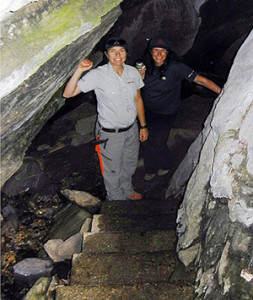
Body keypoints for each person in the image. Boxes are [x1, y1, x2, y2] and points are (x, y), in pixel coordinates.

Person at [63, 37, 148, 200]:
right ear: (106, 54)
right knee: (112, 170)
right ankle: (116, 200)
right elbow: (68, 93)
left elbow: (138, 99)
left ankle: (128, 190)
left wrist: (143, 126)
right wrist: (79, 70)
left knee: (129, 164)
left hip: (132, 129)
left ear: (126, 53)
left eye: (121, 50)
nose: (117, 55)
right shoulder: (97, 75)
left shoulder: (132, 72)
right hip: (110, 134)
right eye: (113, 51)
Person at [140, 37, 221, 181]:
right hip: (146, 111)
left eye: (163, 51)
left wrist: (222, 93)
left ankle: (167, 164)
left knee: (159, 141)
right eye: (156, 50)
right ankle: (150, 168)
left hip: (167, 112)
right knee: (146, 140)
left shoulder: (176, 67)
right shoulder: (143, 67)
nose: (159, 54)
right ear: (150, 52)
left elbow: (200, 80)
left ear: (167, 53)